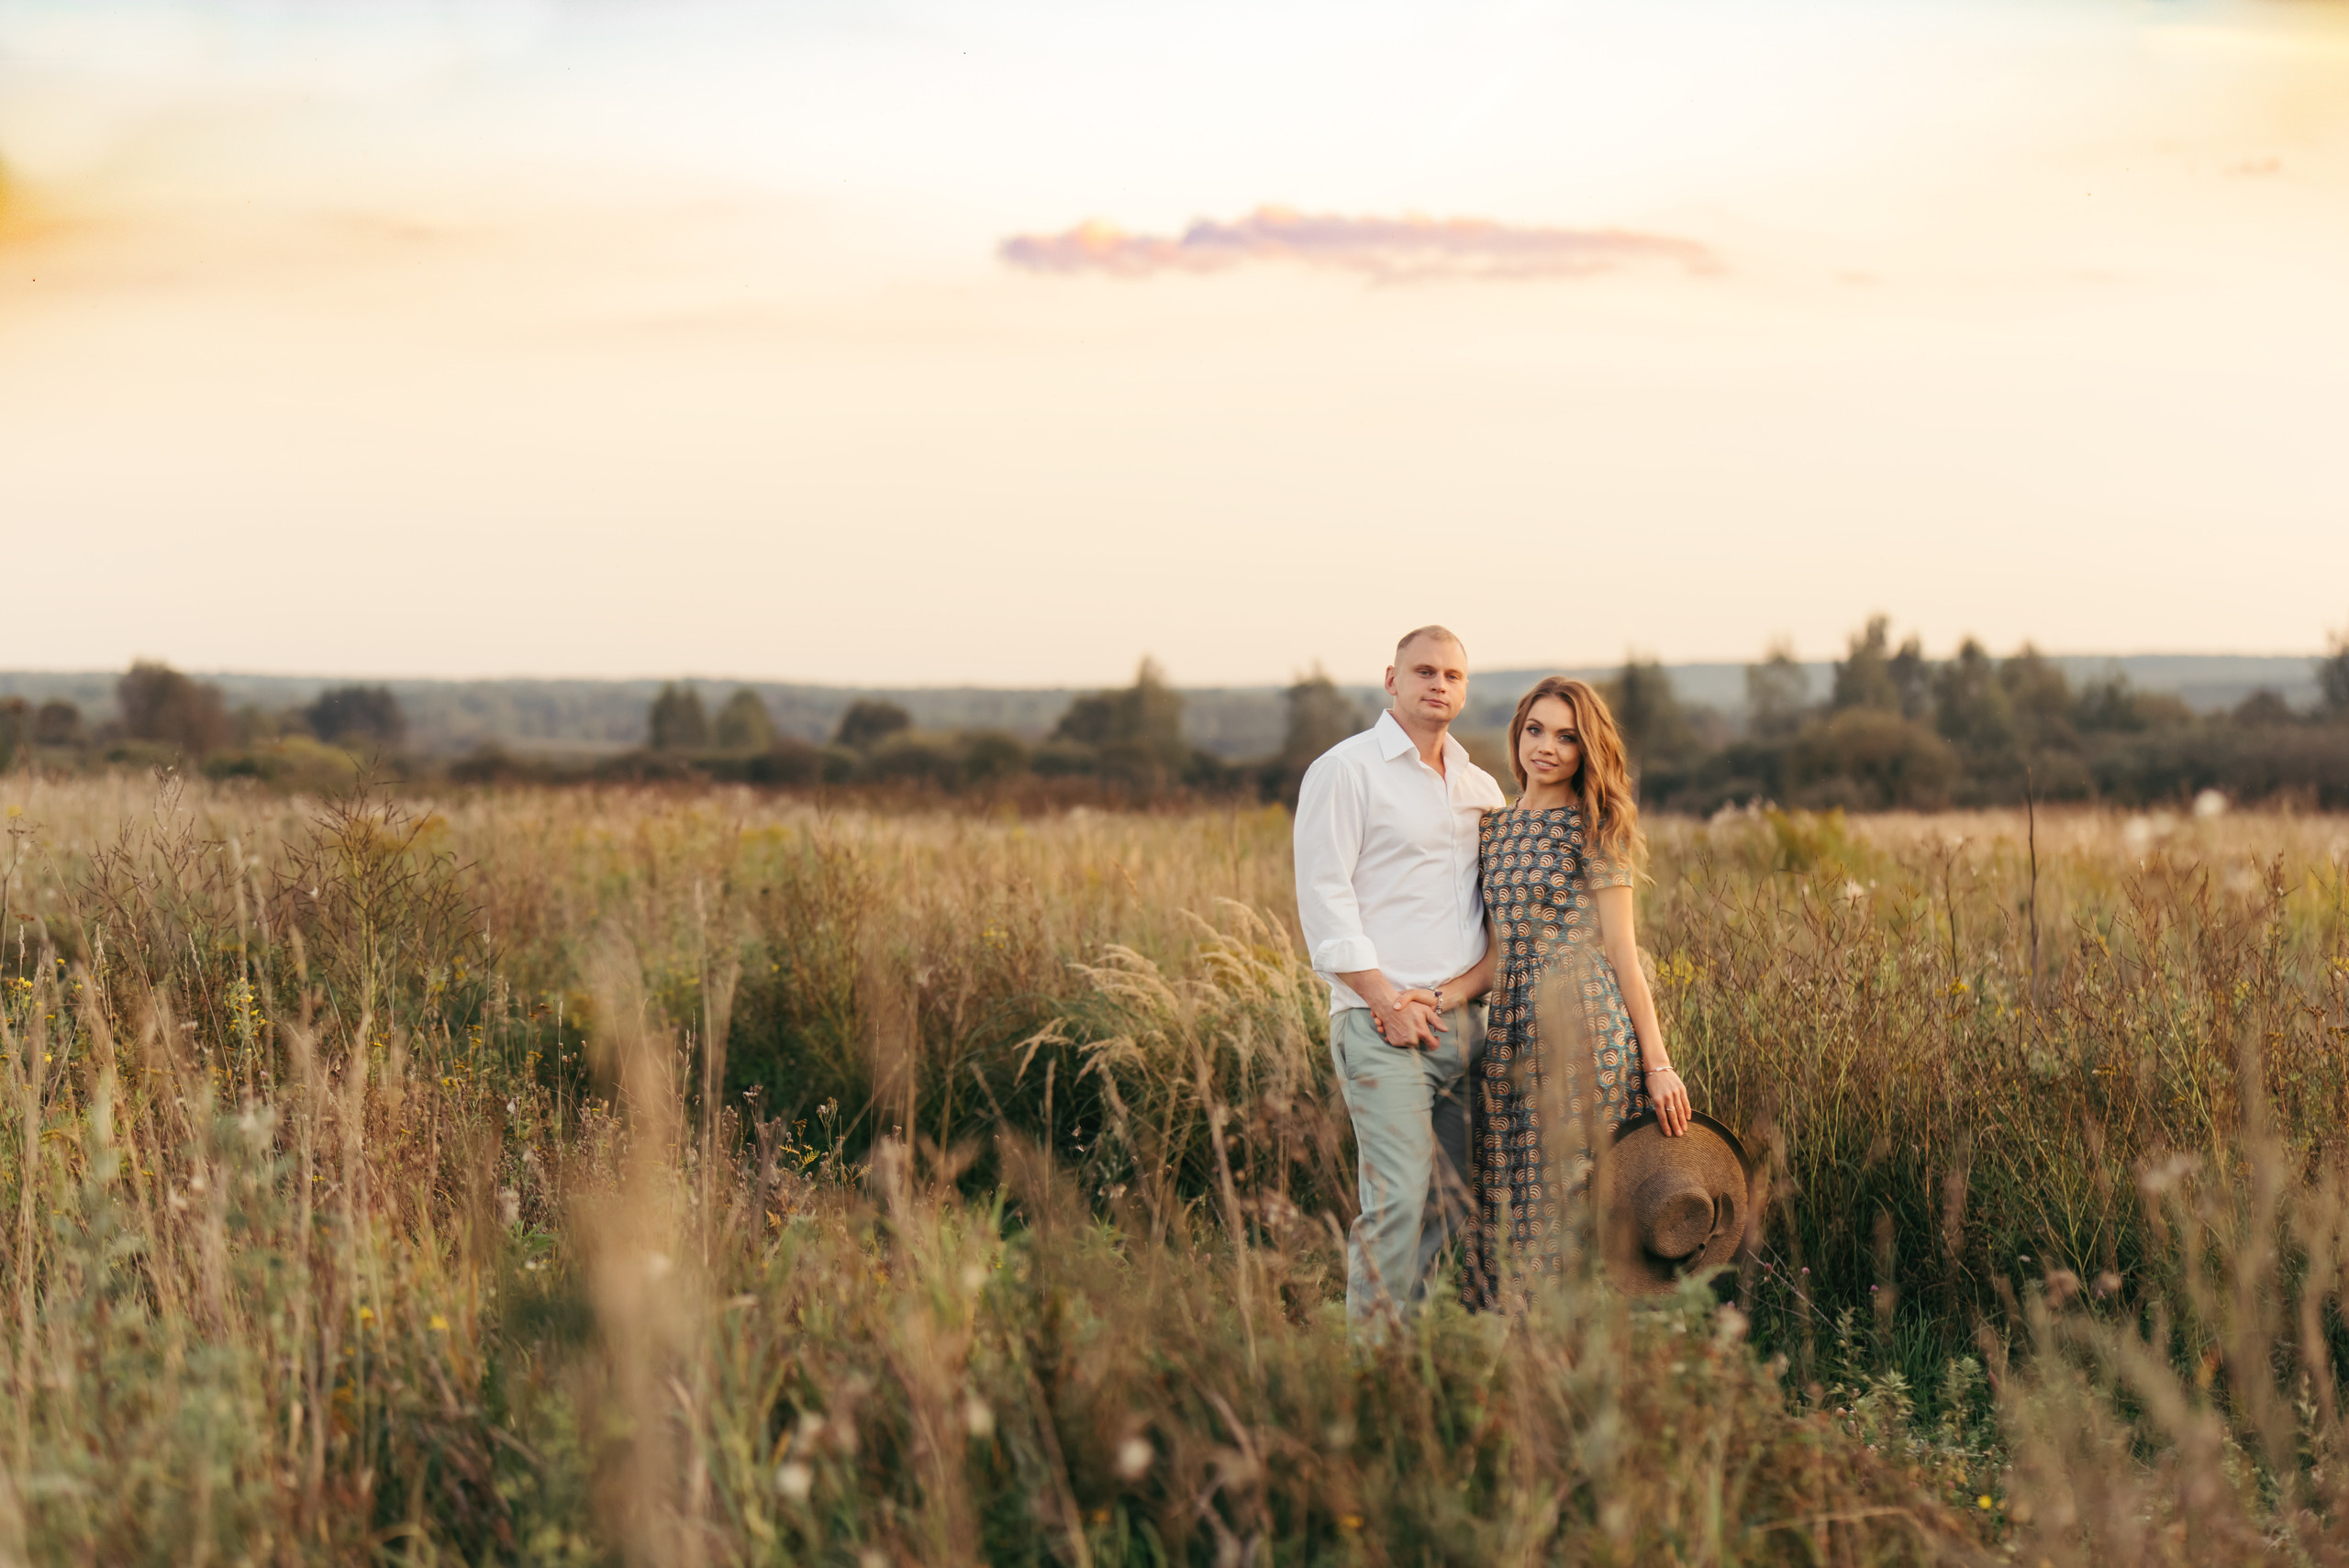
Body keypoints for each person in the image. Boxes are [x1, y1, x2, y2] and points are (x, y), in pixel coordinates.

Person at [1396, 676, 1694, 1310]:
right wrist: (1431, 996)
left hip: (1585, 1027)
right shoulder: (1494, 829)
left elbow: (1623, 955)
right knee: (1509, 1196)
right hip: (1510, 1033)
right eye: (1536, 730)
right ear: (1518, 733)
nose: (1548, 747)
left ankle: (1585, 1349)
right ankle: (1522, 1358)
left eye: (1567, 736)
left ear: (1587, 750)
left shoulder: (1595, 828)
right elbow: (1498, 956)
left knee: (1571, 1195)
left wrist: (1658, 1063)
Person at [1294, 626, 1507, 1331]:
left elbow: (1495, 913)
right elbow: (1325, 900)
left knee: (1449, 1202)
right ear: (1392, 680)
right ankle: (1374, 1383)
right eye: (1424, 671)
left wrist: (1455, 998)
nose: (1438, 684)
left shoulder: (1480, 788)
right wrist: (1385, 999)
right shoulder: (1346, 770)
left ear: (1464, 688)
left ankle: (1404, 1361)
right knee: (1395, 1204)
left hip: (1464, 1026)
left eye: (1452, 674)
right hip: (1381, 1024)